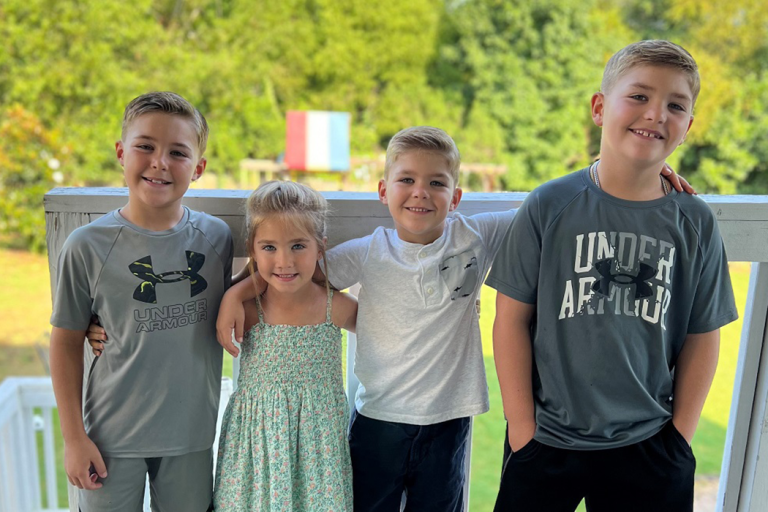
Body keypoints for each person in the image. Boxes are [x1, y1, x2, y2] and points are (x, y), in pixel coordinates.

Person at [217, 125, 690, 511]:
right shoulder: (365, 253)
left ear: (456, 196)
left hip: (449, 419)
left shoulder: (476, 237)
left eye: (436, 183)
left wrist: (628, 172)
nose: (420, 193)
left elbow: (550, 204)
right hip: (378, 417)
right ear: (384, 190)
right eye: (406, 180)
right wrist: (235, 294)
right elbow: (290, 274)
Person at [487, 40, 738, 512]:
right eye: (639, 96)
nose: (656, 114)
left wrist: (680, 437)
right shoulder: (549, 205)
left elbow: (704, 335)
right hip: (546, 439)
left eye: (675, 105)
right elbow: (510, 320)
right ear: (600, 107)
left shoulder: (694, 222)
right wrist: (522, 431)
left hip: (650, 443)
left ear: (687, 127)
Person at [50, 91, 233, 512]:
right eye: (145, 146)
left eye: (178, 152)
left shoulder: (216, 239)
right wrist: (74, 439)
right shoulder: (86, 247)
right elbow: (64, 342)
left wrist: (239, 290)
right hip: (110, 439)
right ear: (121, 152)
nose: (159, 162)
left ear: (199, 168)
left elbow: (241, 295)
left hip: (191, 434)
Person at [213, 180, 357, 511]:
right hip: (257, 451)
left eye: (297, 246)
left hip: (319, 453)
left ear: (320, 247)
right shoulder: (248, 310)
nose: (284, 261)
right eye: (269, 248)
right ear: (252, 248)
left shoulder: (334, 307)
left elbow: (386, 331)